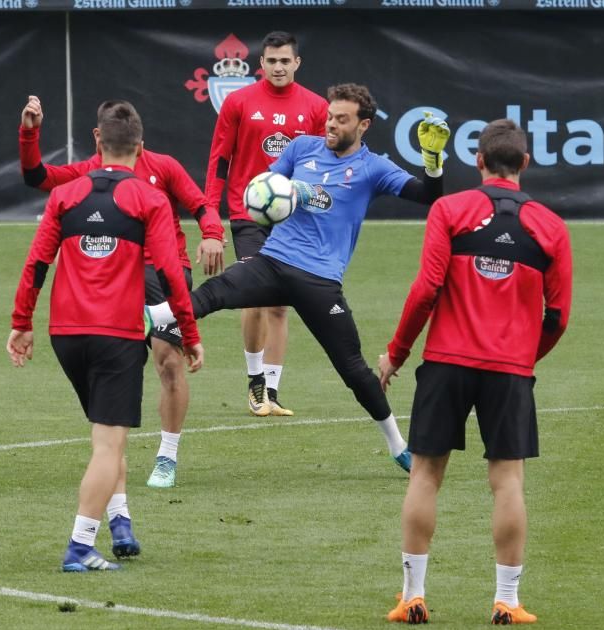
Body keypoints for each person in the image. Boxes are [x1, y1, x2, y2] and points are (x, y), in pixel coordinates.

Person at [147, 83, 451, 473]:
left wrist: (432, 160)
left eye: (342, 120)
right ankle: (151, 315)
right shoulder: (301, 148)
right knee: (214, 292)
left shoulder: (374, 168)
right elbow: (263, 192)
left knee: (354, 370)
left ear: (364, 126)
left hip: (320, 280)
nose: (331, 124)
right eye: (329, 116)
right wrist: (288, 192)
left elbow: (430, 195)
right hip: (272, 261)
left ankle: (397, 445)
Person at [378, 118, 572, 624]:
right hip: (509, 369)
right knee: (507, 483)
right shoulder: (551, 226)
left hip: (445, 361)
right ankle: (506, 600)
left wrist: (396, 354)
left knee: (424, 475)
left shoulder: (449, 209)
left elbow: (426, 289)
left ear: (479, 162)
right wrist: (524, 359)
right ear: (525, 164)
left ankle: (412, 596)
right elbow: (559, 316)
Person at [7, 101, 204, 571]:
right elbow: (173, 277)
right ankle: (79, 546)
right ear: (140, 147)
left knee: (104, 434)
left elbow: (36, 265)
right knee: (109, 443)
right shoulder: (148, 199)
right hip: (115, 334)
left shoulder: (66, 196)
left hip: (65, 336)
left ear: (98, 142)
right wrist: (189, 332)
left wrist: (21, 324)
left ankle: (120, 522)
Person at [205, 30, 328, 418]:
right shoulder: (239, 102)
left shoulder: (316, 107)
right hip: (249, 213)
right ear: (261, 65)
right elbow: (219, 160)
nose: (278, 66)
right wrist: (211, 218)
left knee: (280, 304)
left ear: (297, 63)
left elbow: (324, 166)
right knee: (254, 296)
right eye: (271, 60)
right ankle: (254, 380)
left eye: (285, 60)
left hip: (294, 216)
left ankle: (271, 390)